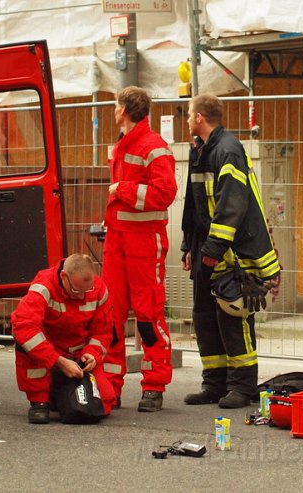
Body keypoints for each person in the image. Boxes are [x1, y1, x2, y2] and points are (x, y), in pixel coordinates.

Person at [181, 94, 281, 409]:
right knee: (205, 317)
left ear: (199, 117)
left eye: (187, 114)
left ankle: (242, 386)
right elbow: (192, 202)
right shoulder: (199, 149)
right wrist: (189, 244)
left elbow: (232, 205)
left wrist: (212, 248)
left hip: (232, 252)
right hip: (206, 248)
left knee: (233, 317)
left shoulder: (228, 150)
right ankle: (215, 384)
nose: (186, 120)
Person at [101, 86, 177, 412]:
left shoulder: (154, 147)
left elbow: (164, 193)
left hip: (145, 242)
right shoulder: (122, 145)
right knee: (111, 316)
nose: (113, 111)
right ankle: (110, 386)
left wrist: (124, 189)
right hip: (117, 240)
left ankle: (154, 386)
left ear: (124, 110)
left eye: (116, 106)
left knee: (148, 316)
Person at [12, 253, 117, 423]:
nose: (82, 296)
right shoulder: (44, 285)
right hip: (47, 351)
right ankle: (39, 400)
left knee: (105, 402)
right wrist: (57, 361)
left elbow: (103, 332)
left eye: (87, 290)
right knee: (27, 342)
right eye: (76, 290)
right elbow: (23, 326)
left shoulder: (99, 289)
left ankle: (56, 393)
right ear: (64, 277)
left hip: (77, 353)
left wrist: (93, 354)